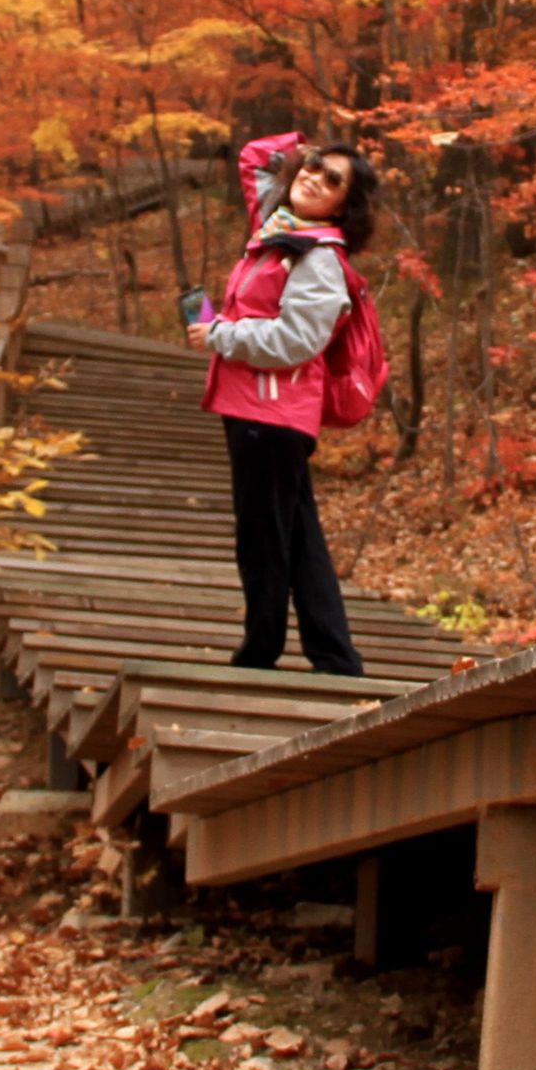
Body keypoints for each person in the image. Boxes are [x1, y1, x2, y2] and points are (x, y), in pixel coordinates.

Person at [186, 132, 377, 674]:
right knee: (296, 533)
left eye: (332, 179)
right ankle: (334, 654)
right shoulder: (279, 232)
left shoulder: (317, 256)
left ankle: (260, 649)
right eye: (312, 167)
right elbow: (254, 157)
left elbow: (298, 341)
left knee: (262, 538)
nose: (314, 177)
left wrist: (221, 335)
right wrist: (305, 145)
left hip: (269, 414)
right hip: (259, 411)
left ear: (346, 205)